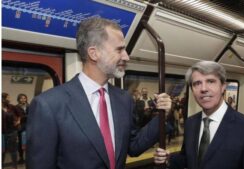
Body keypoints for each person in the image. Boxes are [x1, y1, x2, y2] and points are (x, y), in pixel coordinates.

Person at [26, 17, 171, 169]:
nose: (126, 57)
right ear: (94, 54)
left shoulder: (123, 99)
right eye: (119, 49)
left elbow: (133, 146)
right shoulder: (49, 105)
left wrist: (163, 116)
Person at [154, 61, 244, 169]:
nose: (203, 89)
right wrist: (169, 159)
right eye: (197, 83)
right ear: (192, 90)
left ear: (223, 86)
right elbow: (188, 159)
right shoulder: (191, 123)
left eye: (210, 81)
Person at [2, 93, 22, 169]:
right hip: (1, 133)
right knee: (2, 151)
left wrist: (18, 121)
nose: (9, 99)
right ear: (3, 99)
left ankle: (15, 166)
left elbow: (19, 115)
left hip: (12, 132)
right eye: (8, 98)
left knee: (13, 150)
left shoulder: (12, 107)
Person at [15, 93, 30, 164]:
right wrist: (24, 117)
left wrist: (22, 117)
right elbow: (16, 117)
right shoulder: (16, 107)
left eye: (24, 98)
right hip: (20, 127)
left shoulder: (29, 106)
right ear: (18, 99)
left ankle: (29, 157)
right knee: (21, 143)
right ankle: (21, 157)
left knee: (29, 142)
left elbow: (32, 115)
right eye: (21, 98)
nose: (23, 99)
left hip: (29, 126)